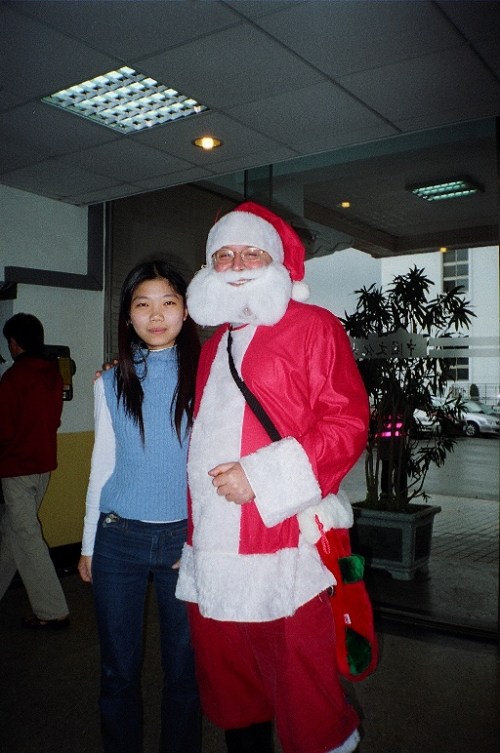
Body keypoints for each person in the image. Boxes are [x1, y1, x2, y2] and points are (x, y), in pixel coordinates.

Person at [176, 202, 370, 753]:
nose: (237, 264)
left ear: (276, 263)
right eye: (224, 255)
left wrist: (261, 478)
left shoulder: (314, 326)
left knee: (305, 688)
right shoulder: (211, 348)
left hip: (284, 543)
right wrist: (190, 537)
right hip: (211, 551)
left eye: (252, 253)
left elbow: (347, 422)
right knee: (233, 690)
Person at [78, 260, 202, 753]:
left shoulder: (207, 377)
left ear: (186, 310)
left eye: (168, 302)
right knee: (118, 671)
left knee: (184, 673)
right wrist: (88, 544)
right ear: (128, 316)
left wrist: (201, 541)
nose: (156, 315)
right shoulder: (109, 382)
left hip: (183, 540)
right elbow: (102, 464)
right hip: (119, 538)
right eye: (142, 304)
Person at [0, 313, 68, 628]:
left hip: (16, 469)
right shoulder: (52, 373)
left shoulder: (13, 378)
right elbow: (54, 420)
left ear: (15, 343)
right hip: (43, 466)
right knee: (13, 532)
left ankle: (53, 612)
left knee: (26, 536)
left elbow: (4, 430)